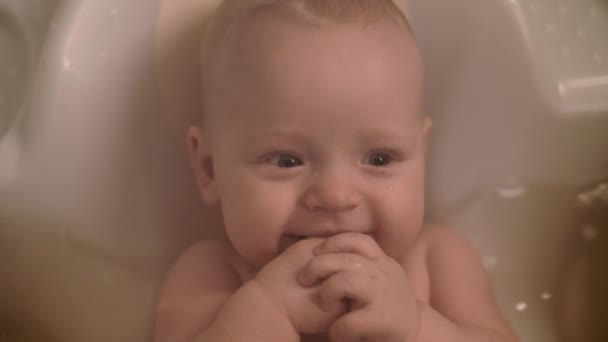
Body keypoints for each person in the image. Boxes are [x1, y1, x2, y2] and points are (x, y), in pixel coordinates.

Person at [155, 1, 518, 341]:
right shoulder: (211, 274)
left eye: (379, 159)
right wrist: (266, 309)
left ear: (422, 155)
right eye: (286, 161)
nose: (335, 196)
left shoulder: (437, 261)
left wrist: (417, 328)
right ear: (209, 170)